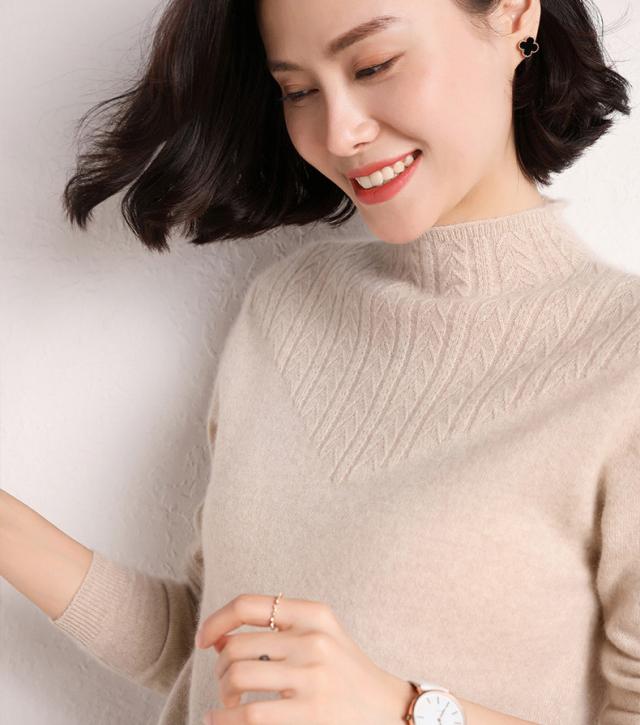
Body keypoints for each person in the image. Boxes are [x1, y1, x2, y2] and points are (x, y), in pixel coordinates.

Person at [1, 0, 637, 723]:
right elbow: (208, 649)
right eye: (298, 90)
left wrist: (404, 709)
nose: (339, 134)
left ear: (516, 14)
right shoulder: (285, 311)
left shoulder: (624, 362)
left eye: (374, 65)